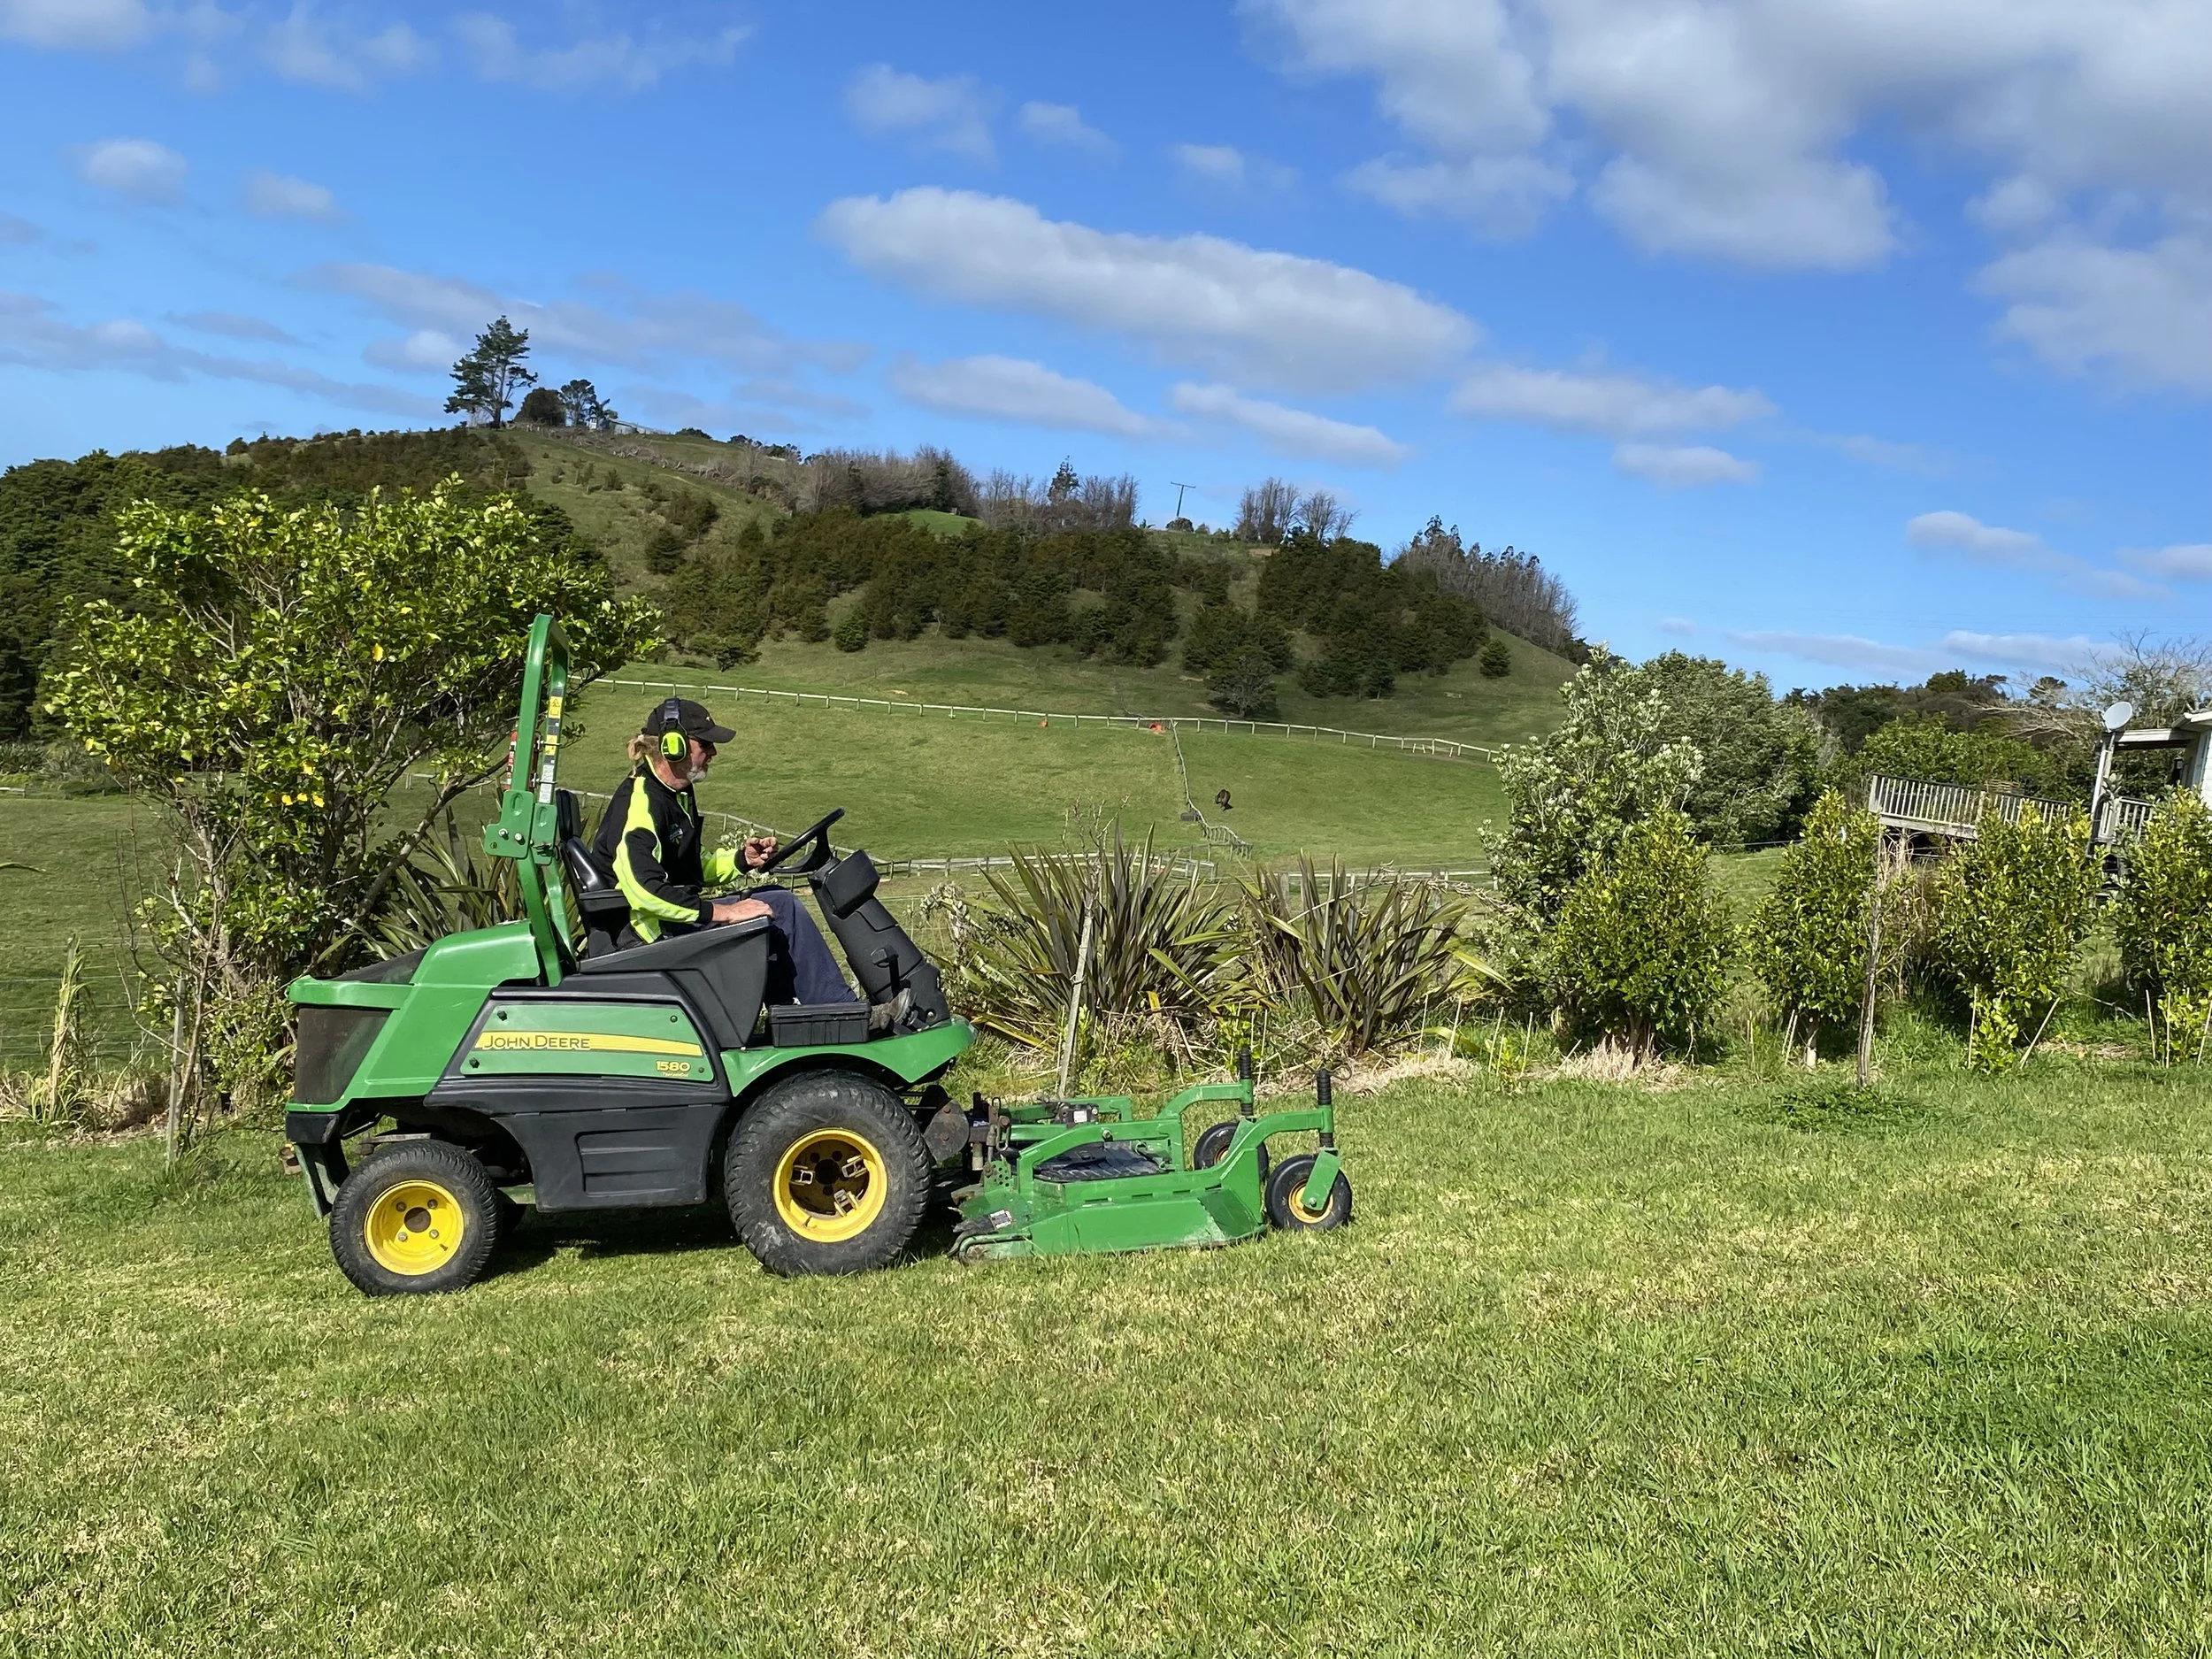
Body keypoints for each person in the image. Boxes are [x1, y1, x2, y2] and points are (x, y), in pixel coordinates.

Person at [592, 696, 855, 1007]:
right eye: (705, 744)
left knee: (773, 898)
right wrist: (724, 912)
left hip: (667, 919)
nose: (713, 752)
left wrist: (744, 859)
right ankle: (840, 1011)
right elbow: (643, 890)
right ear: (672, 746)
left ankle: (799, 1019)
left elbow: (691, 866)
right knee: (782, 909)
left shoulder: (675, 794)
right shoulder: (641, 803)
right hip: (649, 933)